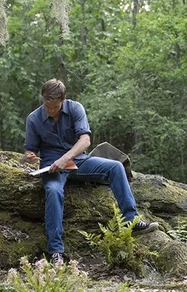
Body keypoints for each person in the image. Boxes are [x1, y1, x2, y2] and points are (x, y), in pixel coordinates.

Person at [24, 79, 158, 263]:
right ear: (42, 99)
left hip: (78, 160)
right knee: (53, 191)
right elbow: (29, 149)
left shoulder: (75, 108)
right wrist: (29, 156)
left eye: (55, 107)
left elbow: (85, 140)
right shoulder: (33, 118)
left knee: (116, 167)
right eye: (47, 106)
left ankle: (131, 220)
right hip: (52, 166)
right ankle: (55, 251)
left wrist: (67, 157)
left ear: (63, 100)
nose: (50, 110)